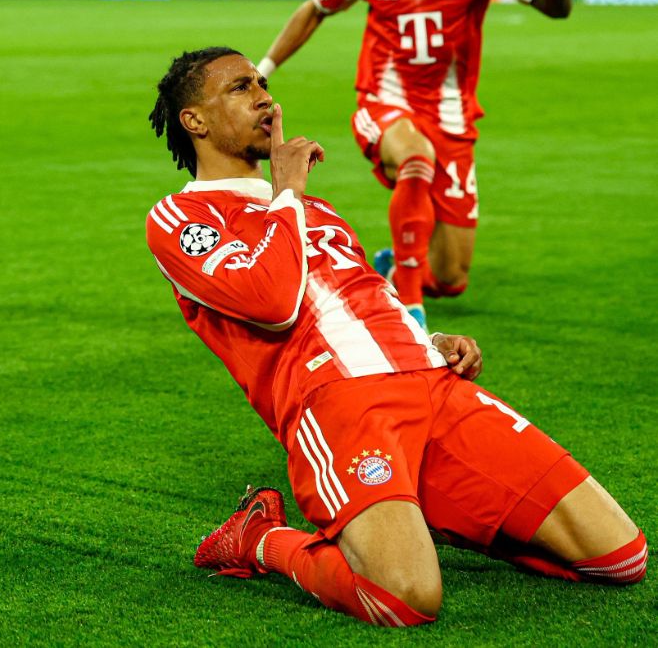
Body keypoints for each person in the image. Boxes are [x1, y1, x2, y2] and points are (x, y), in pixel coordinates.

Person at [145, 46, 645, 628]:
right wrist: (287, 194)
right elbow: (272, 302)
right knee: (402, 598)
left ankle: (424, 514)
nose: (264, 96)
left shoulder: (319, 210)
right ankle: (261, 538)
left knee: (621, 557)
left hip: (432, 385)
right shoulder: (183, 218)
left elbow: (363, 296)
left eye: (261, 82)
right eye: (240, 87)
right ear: (195, 121)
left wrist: (428, 341)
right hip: (341, 401)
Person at [257, 0, 573, 329]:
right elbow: (315, 9)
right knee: (415, 156)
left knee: (450, 277)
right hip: (385, 104)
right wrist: (263, 69)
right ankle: (410, 306)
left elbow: (557, 9)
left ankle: (395, 265)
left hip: (452, 119)